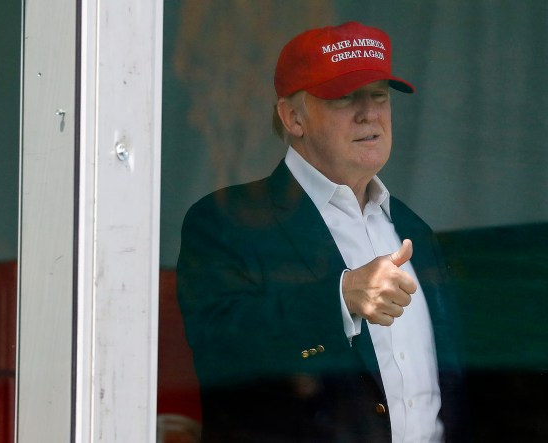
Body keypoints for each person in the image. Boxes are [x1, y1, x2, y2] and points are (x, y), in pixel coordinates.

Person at [176, 21, 466, 442]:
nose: (369, 113)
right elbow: (223, 353)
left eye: (380, 95)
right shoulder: (226, 221)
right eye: (345, 97)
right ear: (293, 117)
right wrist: (340, 297)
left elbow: (451, 390)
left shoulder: (413, 228)